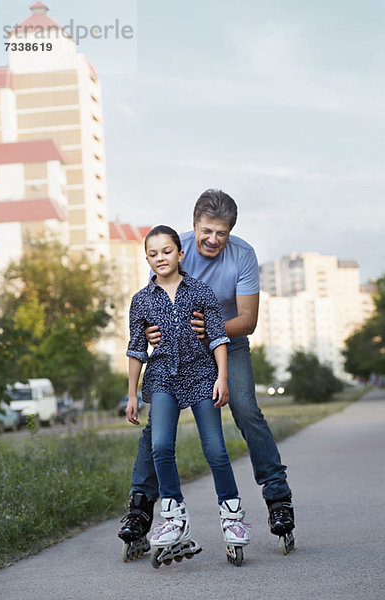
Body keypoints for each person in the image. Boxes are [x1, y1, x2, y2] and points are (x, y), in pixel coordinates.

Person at [119, 190, 294, 556]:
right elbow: (151, 302)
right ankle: (140, 509)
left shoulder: (243, 255)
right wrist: (152, 332)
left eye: (221, 232)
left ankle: (277, 496)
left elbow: (248, 320)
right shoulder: (171, 247)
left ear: (230, 231)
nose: (213, 239)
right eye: (206, 230)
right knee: (157, 429)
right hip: (176, 352)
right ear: (194, 225)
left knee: (246, 409)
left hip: (228, 342)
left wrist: (210, 330)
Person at [122, 224, 250, 566]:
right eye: (152, 253)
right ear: (146, 259)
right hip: (162, 377)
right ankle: (174, 516)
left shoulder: (200, 291)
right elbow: (136, 349)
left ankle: (232, 517)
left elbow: (219, 338)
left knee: (215, 449)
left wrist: (222, 377)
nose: (160, 258)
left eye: (166, 251)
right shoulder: (141, 300)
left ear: (180, 254)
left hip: (201, 376)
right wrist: (131, 394)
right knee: (160, 445)